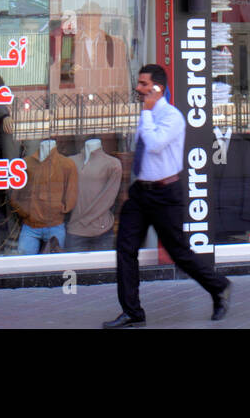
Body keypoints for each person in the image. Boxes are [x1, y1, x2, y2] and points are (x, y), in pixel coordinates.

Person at [102, 64, 231, 328]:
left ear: (157, 88)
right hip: (141, 193)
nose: (138, 89)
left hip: (165, 193)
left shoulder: (171, 116)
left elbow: (155, 144)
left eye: (143, 84)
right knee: (125, 249)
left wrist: (147, 113)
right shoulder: (147, 114)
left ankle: (219, 287)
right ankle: (132, 313)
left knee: (179, 253)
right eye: (138, 83)